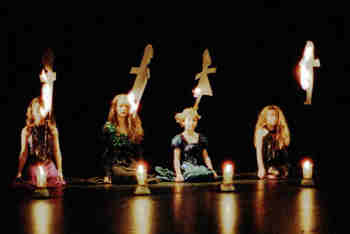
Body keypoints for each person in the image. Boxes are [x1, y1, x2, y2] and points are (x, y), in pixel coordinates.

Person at [156, 107, 218, 182]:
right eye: (189, 120)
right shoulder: (179, 139)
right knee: (192, 176)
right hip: (186, 167)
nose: (191, 123)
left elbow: (206, 157)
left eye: (194, 120)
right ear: (183, 122)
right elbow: (176, 159)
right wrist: (178, 174)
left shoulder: (201, 138)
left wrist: (212, 169)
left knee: (208, 174)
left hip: (198, 167)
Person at [15, 95, 65, 188]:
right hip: (34, 165)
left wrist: (60, 171)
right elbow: (24, 153)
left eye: (42, 109)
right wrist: (19, 172)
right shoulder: (26, 131)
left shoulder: (52, 130)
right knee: (34, 180)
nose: (40, 113)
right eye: (37, 110)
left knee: (55, 181)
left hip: (49, 165)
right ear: (32, 112)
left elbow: (56, 151)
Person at [100, 94, 145, 184]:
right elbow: (106, 152)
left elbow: (138, 151)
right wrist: (107, 174)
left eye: (126, 107)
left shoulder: (134, 127)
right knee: (121, 174)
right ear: (115, 108)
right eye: (121, 106)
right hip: (117, 165)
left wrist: (141, 167)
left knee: (141, 174)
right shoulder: (109, 128)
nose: (124, 109)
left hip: (131, 164)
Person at [254, 105, 291, 179]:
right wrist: (261, 168)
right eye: (271, 115)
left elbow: (284, 152)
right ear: (265, 117)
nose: (273, 118)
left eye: (275, 116)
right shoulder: (261, 131)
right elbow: (259, 151)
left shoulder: (281, 131)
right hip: (266, 163)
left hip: (279, 164)